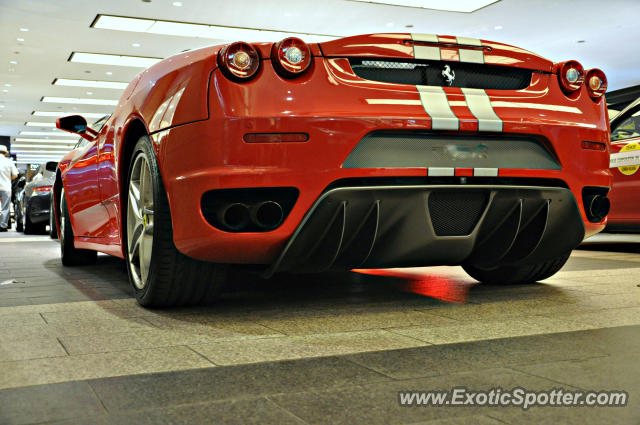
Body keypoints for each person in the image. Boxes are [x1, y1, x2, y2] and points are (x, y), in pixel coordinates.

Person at [0, 145, 19, 232]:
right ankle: (2, 226)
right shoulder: (9, 162)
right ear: (6, 153)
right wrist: (8, 179)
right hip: (5, 187)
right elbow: (15, 175)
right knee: (5, 207)